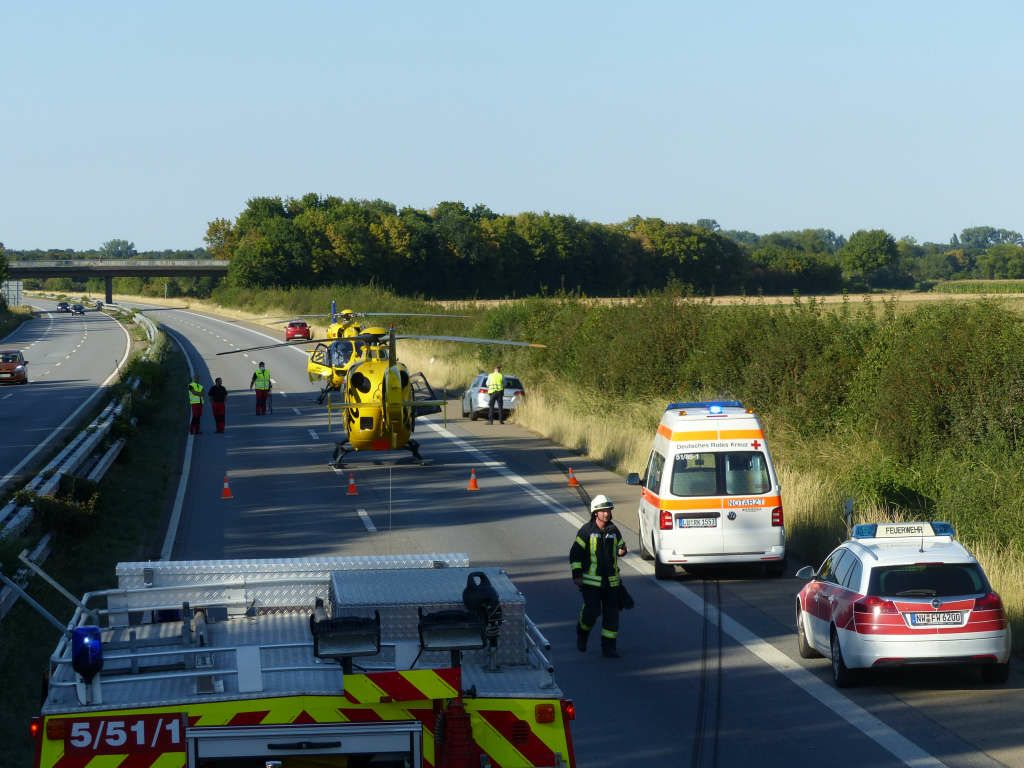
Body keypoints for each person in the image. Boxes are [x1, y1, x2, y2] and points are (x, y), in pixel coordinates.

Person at [570, 494, 628, 658]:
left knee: (612, 616)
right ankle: (582, 633)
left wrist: (622, 551)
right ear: (595, 512)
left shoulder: (613, 530)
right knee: (592, 612)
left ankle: (609, 648)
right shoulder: (586, 531)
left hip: (611, 583)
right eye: (603, 511)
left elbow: (622, 546)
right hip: (591, 582)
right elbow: (575, 554)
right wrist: (577, 574)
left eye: (608, 510)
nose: (606, 514)